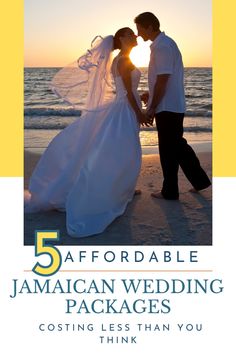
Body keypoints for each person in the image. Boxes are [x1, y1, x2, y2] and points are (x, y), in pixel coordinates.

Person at [25, 28, 149, 237]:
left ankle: (125, 189)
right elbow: (126, 93)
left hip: (124, 107)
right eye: (130, 34)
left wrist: (141, 96)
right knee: (125, 151)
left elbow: (128, 90)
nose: (135, 36)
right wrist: (140, 113)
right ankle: (116, 191)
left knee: (124, 151)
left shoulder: (122, 59)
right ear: (121, 38)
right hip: (125, 110)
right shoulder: (123, 60)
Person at [135, 12, 211, 200]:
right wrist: (151, 95)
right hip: (171, 104)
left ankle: (170, 191)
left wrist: (152, 106)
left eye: (140, 29)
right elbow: (162, 81)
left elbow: (163, 80)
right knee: (177, 146)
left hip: (168, 106)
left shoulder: (163, 46)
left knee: (169, 150)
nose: (138, 33)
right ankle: (199, 182)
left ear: (150, 27)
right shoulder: (162, 45)